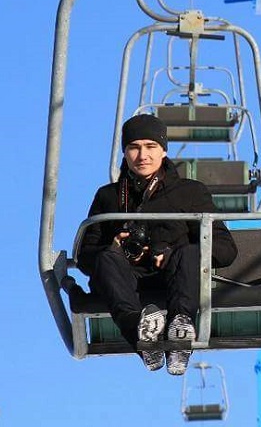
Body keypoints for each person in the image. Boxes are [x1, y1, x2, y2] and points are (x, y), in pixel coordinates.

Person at [76, 114, 238, 374]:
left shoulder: (190, 192)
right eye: (134, 147)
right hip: (126, 282)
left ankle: (180, 328)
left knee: (190, 251)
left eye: (150, 146)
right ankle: (141, 333)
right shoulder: (108, 197)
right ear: (125, 152)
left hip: (175, 279)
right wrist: (114, 247)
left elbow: (226, 250)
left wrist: (172, 252)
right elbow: (85, 257)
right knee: (105, 258)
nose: (143, 156)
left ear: (163, 150)